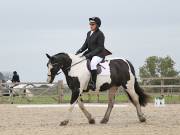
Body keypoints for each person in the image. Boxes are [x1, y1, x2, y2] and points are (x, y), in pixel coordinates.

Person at [76, 17, 112, 91]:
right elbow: (85, 45)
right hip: (90, 53)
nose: (90, 26)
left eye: (92, 24)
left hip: (99, 54)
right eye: (90, 24)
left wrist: (89, 55)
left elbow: (100, 48)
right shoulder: (89, 33)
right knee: (81, 60)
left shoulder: (100, 34)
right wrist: (79, 51)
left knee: (93, 63)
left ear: (97, 25)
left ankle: (93, 83)